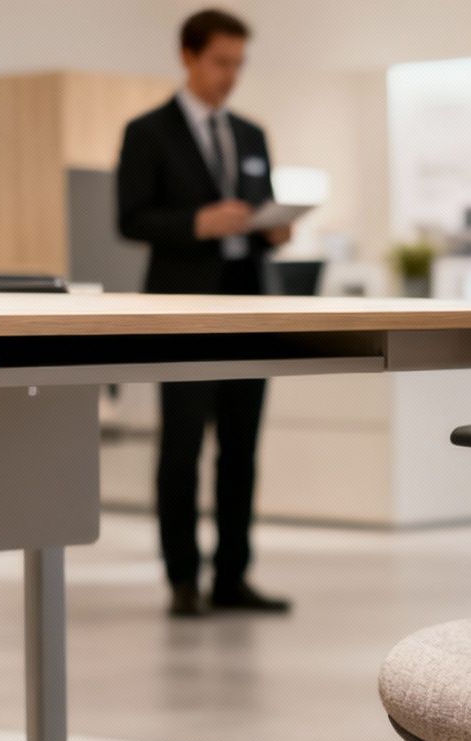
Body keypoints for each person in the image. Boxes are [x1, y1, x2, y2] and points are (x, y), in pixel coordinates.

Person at [118, 7, 292, 618]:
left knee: (241, 448)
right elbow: (130, 219)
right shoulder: (148, 132)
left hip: (249, 305)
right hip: (185, 310)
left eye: (239, 64)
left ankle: (232, 576)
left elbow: (261, 204)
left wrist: (274, 229)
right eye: (221, 62)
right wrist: (198, 223)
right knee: (183, 447)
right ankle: (183, 579)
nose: (230, 75)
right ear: (188, 56)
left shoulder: (251, 133)